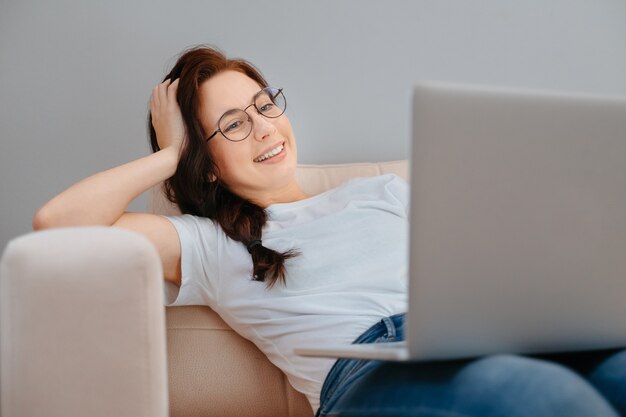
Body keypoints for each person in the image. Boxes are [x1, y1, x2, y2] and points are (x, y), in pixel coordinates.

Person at [33, 45, 626, 417]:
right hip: (369, 374)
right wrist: (171, 154)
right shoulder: (210, 244)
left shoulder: (382, 192)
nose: (265, 129)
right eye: (233, 126)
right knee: (539, 400)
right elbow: (57, 223)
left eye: (265, 106)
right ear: (205, 160)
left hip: (475, 339)